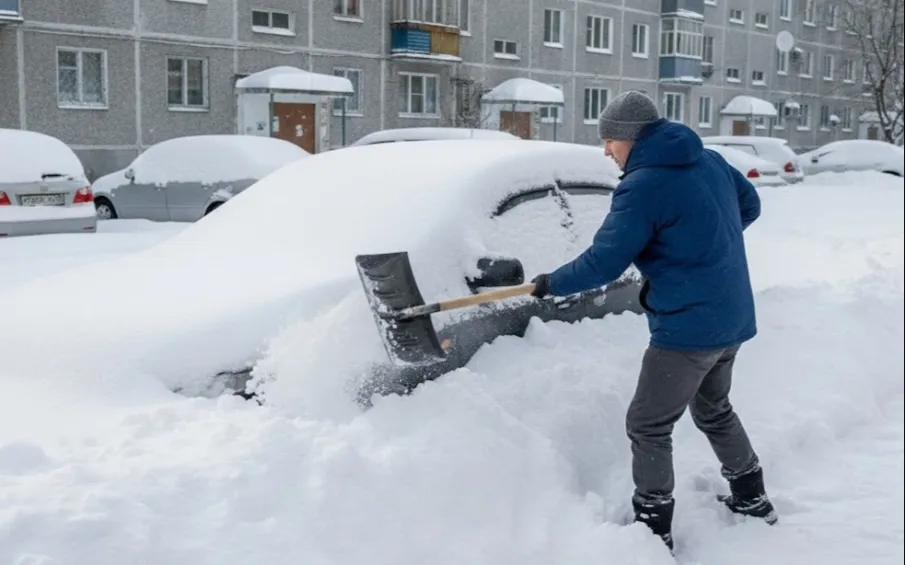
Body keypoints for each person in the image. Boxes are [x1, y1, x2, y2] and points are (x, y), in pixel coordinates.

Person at [530, 91, 778, 551]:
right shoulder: (711, 161)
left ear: (630, 138)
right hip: (731, 314)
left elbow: (604, 262)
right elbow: (750, 207)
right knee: (713, 408)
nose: (606, 151)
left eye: (609, 141)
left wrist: (550, 284)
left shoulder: (643, 185)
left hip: (688, 327)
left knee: (648, 424)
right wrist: (701, 245)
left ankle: (652, 526)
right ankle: (752, 498)